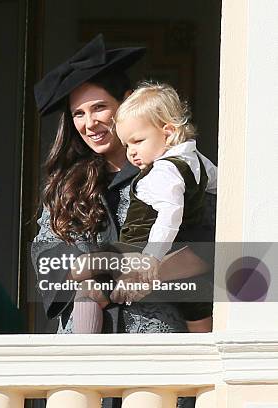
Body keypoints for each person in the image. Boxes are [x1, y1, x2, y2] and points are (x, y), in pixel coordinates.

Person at [31, 34, 214, 336]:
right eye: (79, 113)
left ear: (127, 103)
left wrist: (147, 274)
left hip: (160, 337)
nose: (89, 123)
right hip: (84, 342)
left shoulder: (175, 170)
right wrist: (96, 276)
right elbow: (46, 257)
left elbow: (213, 248)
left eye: (99, 108)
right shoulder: (66, 186)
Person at [70, 81, 216, 334]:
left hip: (146, 248)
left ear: (168, 132)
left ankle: (83, 351)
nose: (131, 153)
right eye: (127, 145)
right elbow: (220, 186)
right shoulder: (199, 161)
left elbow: (169, 217)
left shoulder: (163, 170)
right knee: (198, 310)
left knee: (88, 284)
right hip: (183, 255)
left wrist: (152, 257)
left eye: (137, 141)